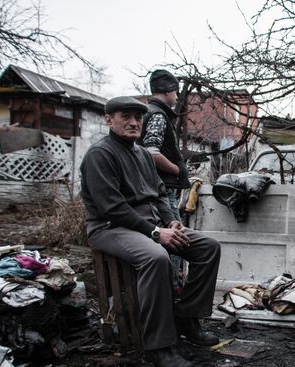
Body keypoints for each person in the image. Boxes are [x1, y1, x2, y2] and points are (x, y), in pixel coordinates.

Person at [80, 96, 221, 367]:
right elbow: (112, 208)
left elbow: (159, 194)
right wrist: (156, 233)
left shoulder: (143, 153)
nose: (134, 122)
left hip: (149, 226)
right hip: (110, 228)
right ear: (109, 120)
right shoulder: (100, 154)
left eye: (138, 117)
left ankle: (186, 319)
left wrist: (170, 222)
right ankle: (159, 346)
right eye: (126, 116)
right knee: (156, 257)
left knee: (207, 247)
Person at [139, 69, 190, 220]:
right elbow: (151, 152)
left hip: (149, 185)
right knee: (176, 234)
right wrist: (177, 170)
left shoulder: (146, 112)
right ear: (167, 91)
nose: (176, 96)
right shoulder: (158, 115)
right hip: (160, 187)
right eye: (175, 91)